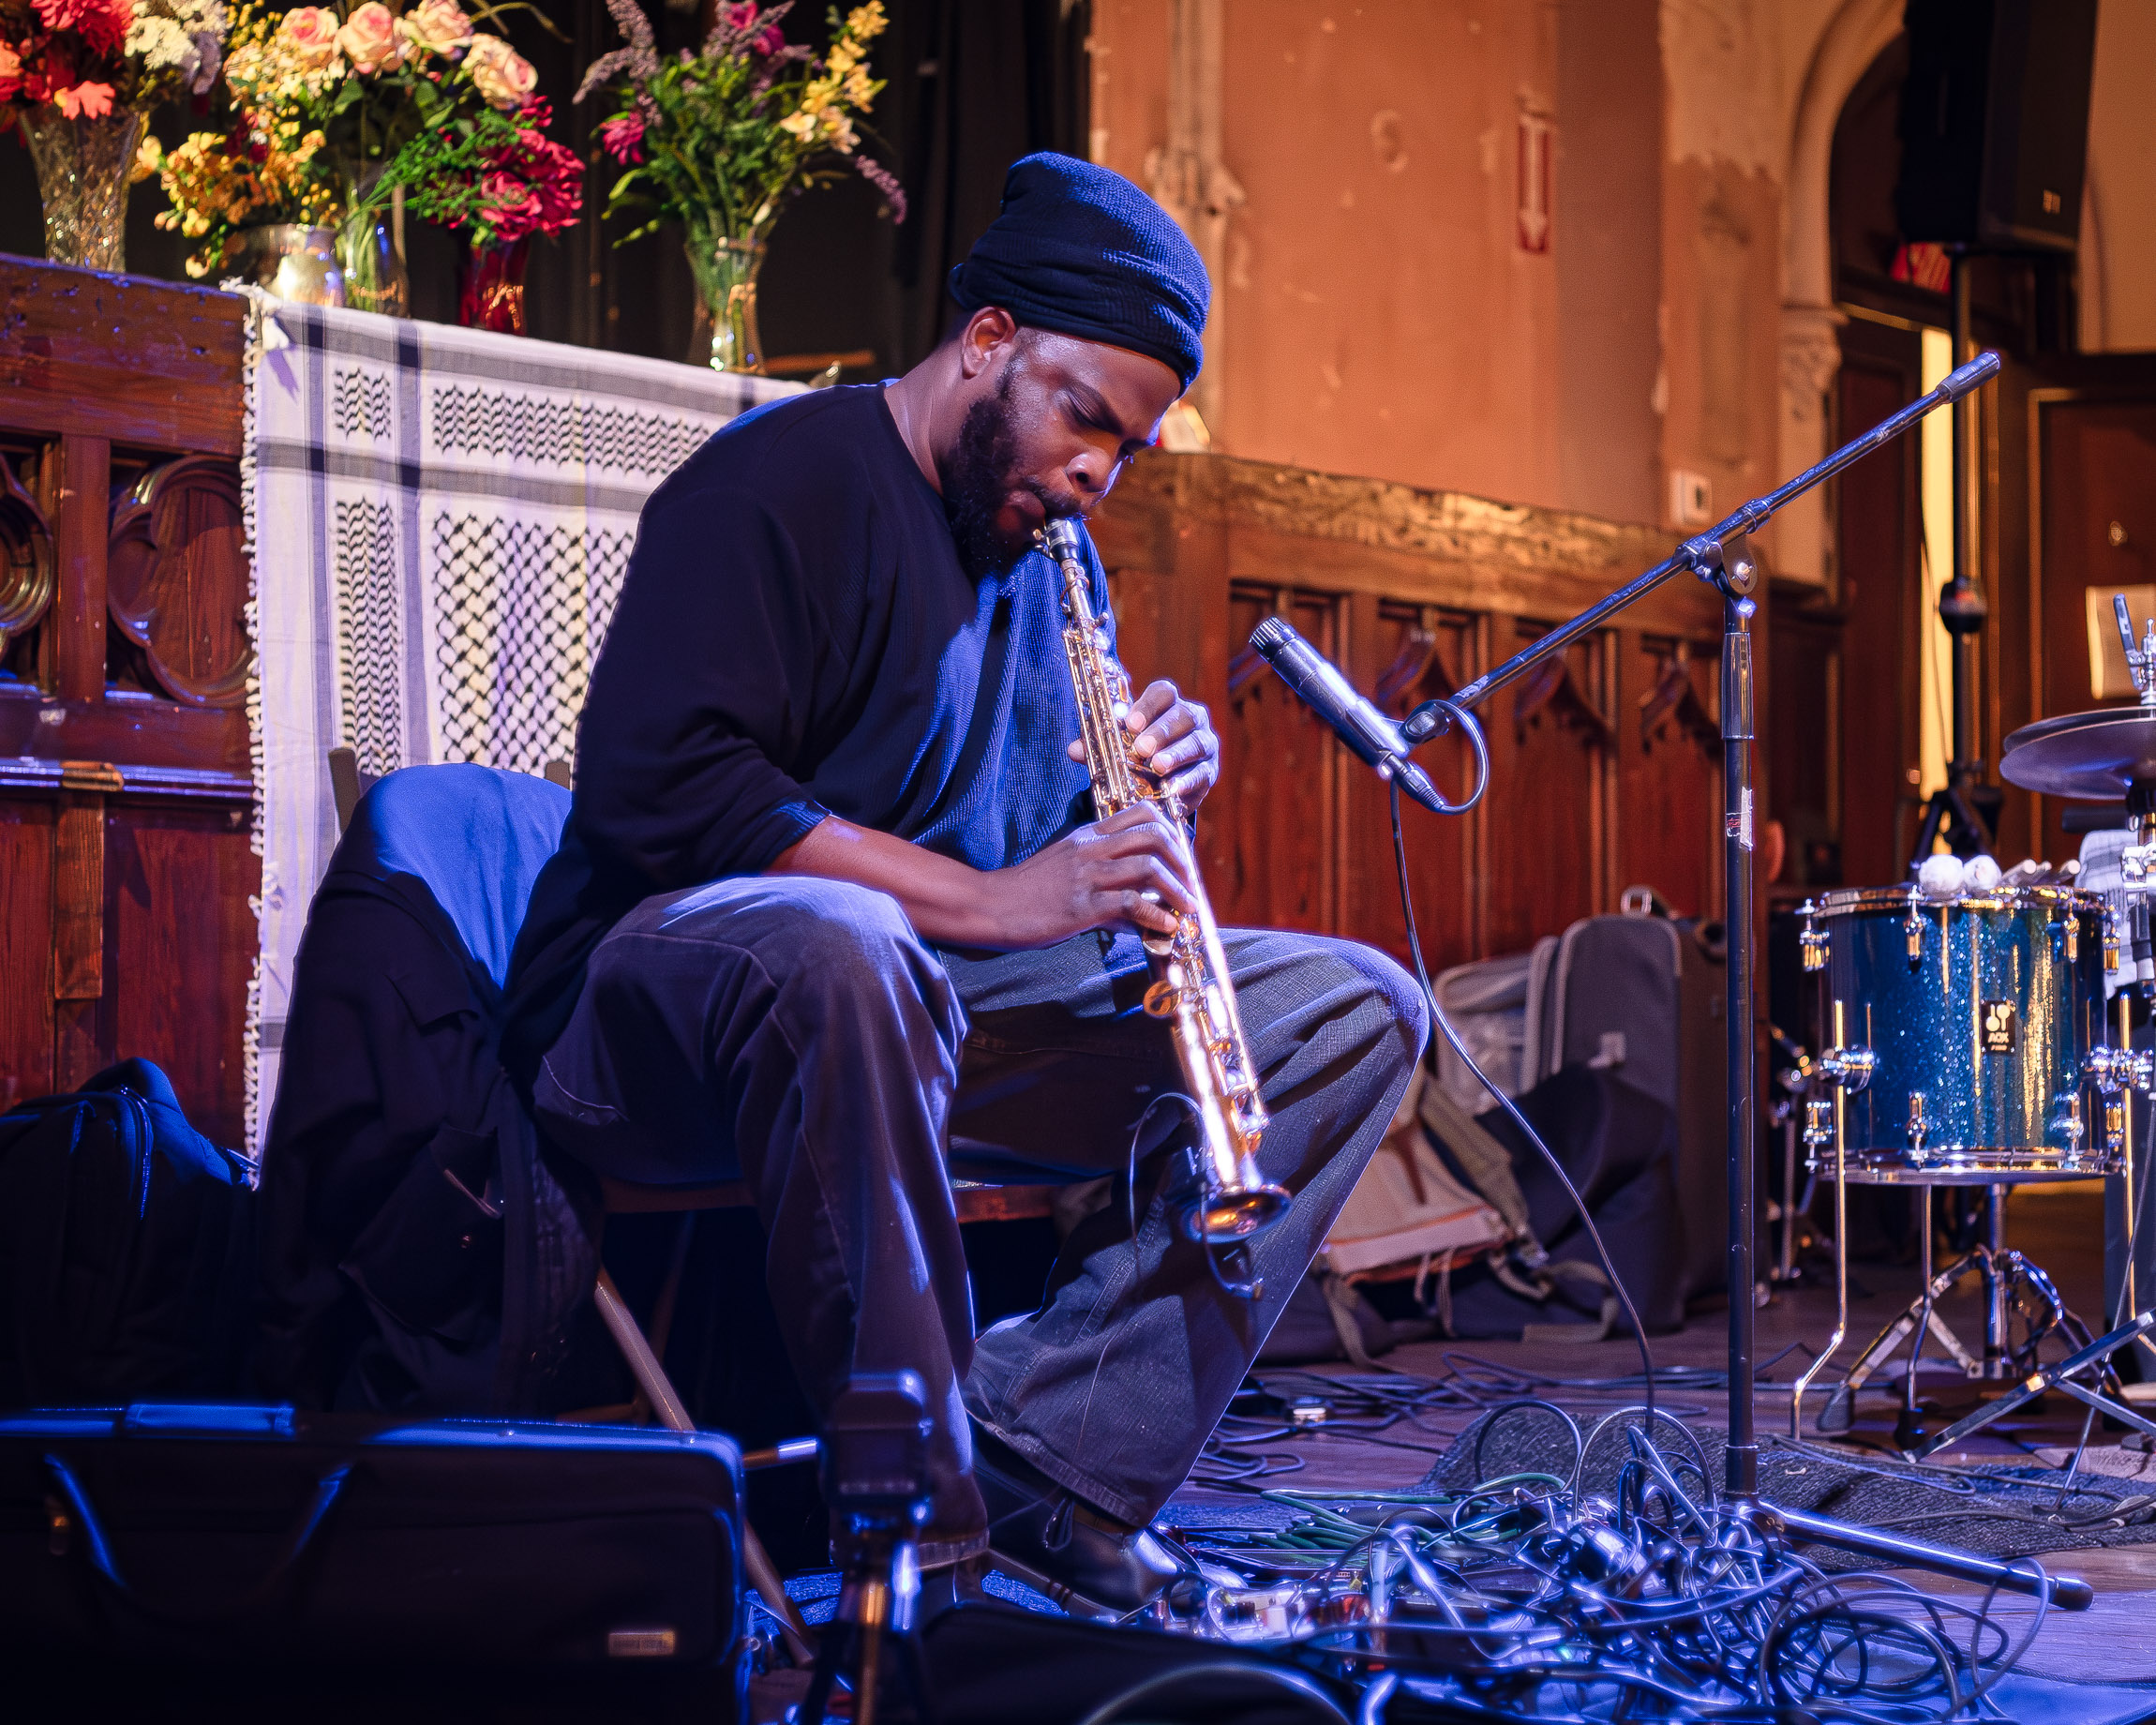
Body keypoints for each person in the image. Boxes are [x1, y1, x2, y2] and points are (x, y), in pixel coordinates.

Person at [502, 153, 1425, 1616]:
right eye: (1083, 418)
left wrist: (1129, 804)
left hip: (921, 1007)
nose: (1094, 473)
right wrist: (1003, 903)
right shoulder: (779, 484)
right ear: (987, 341)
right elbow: (662, 785)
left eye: (1124, 450)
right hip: (660, 1013)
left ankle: (1042, 1454)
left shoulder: (1049, 551)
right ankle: (923, 1534)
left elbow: (1035, 851)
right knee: (845, 941)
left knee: (1357, 1010)